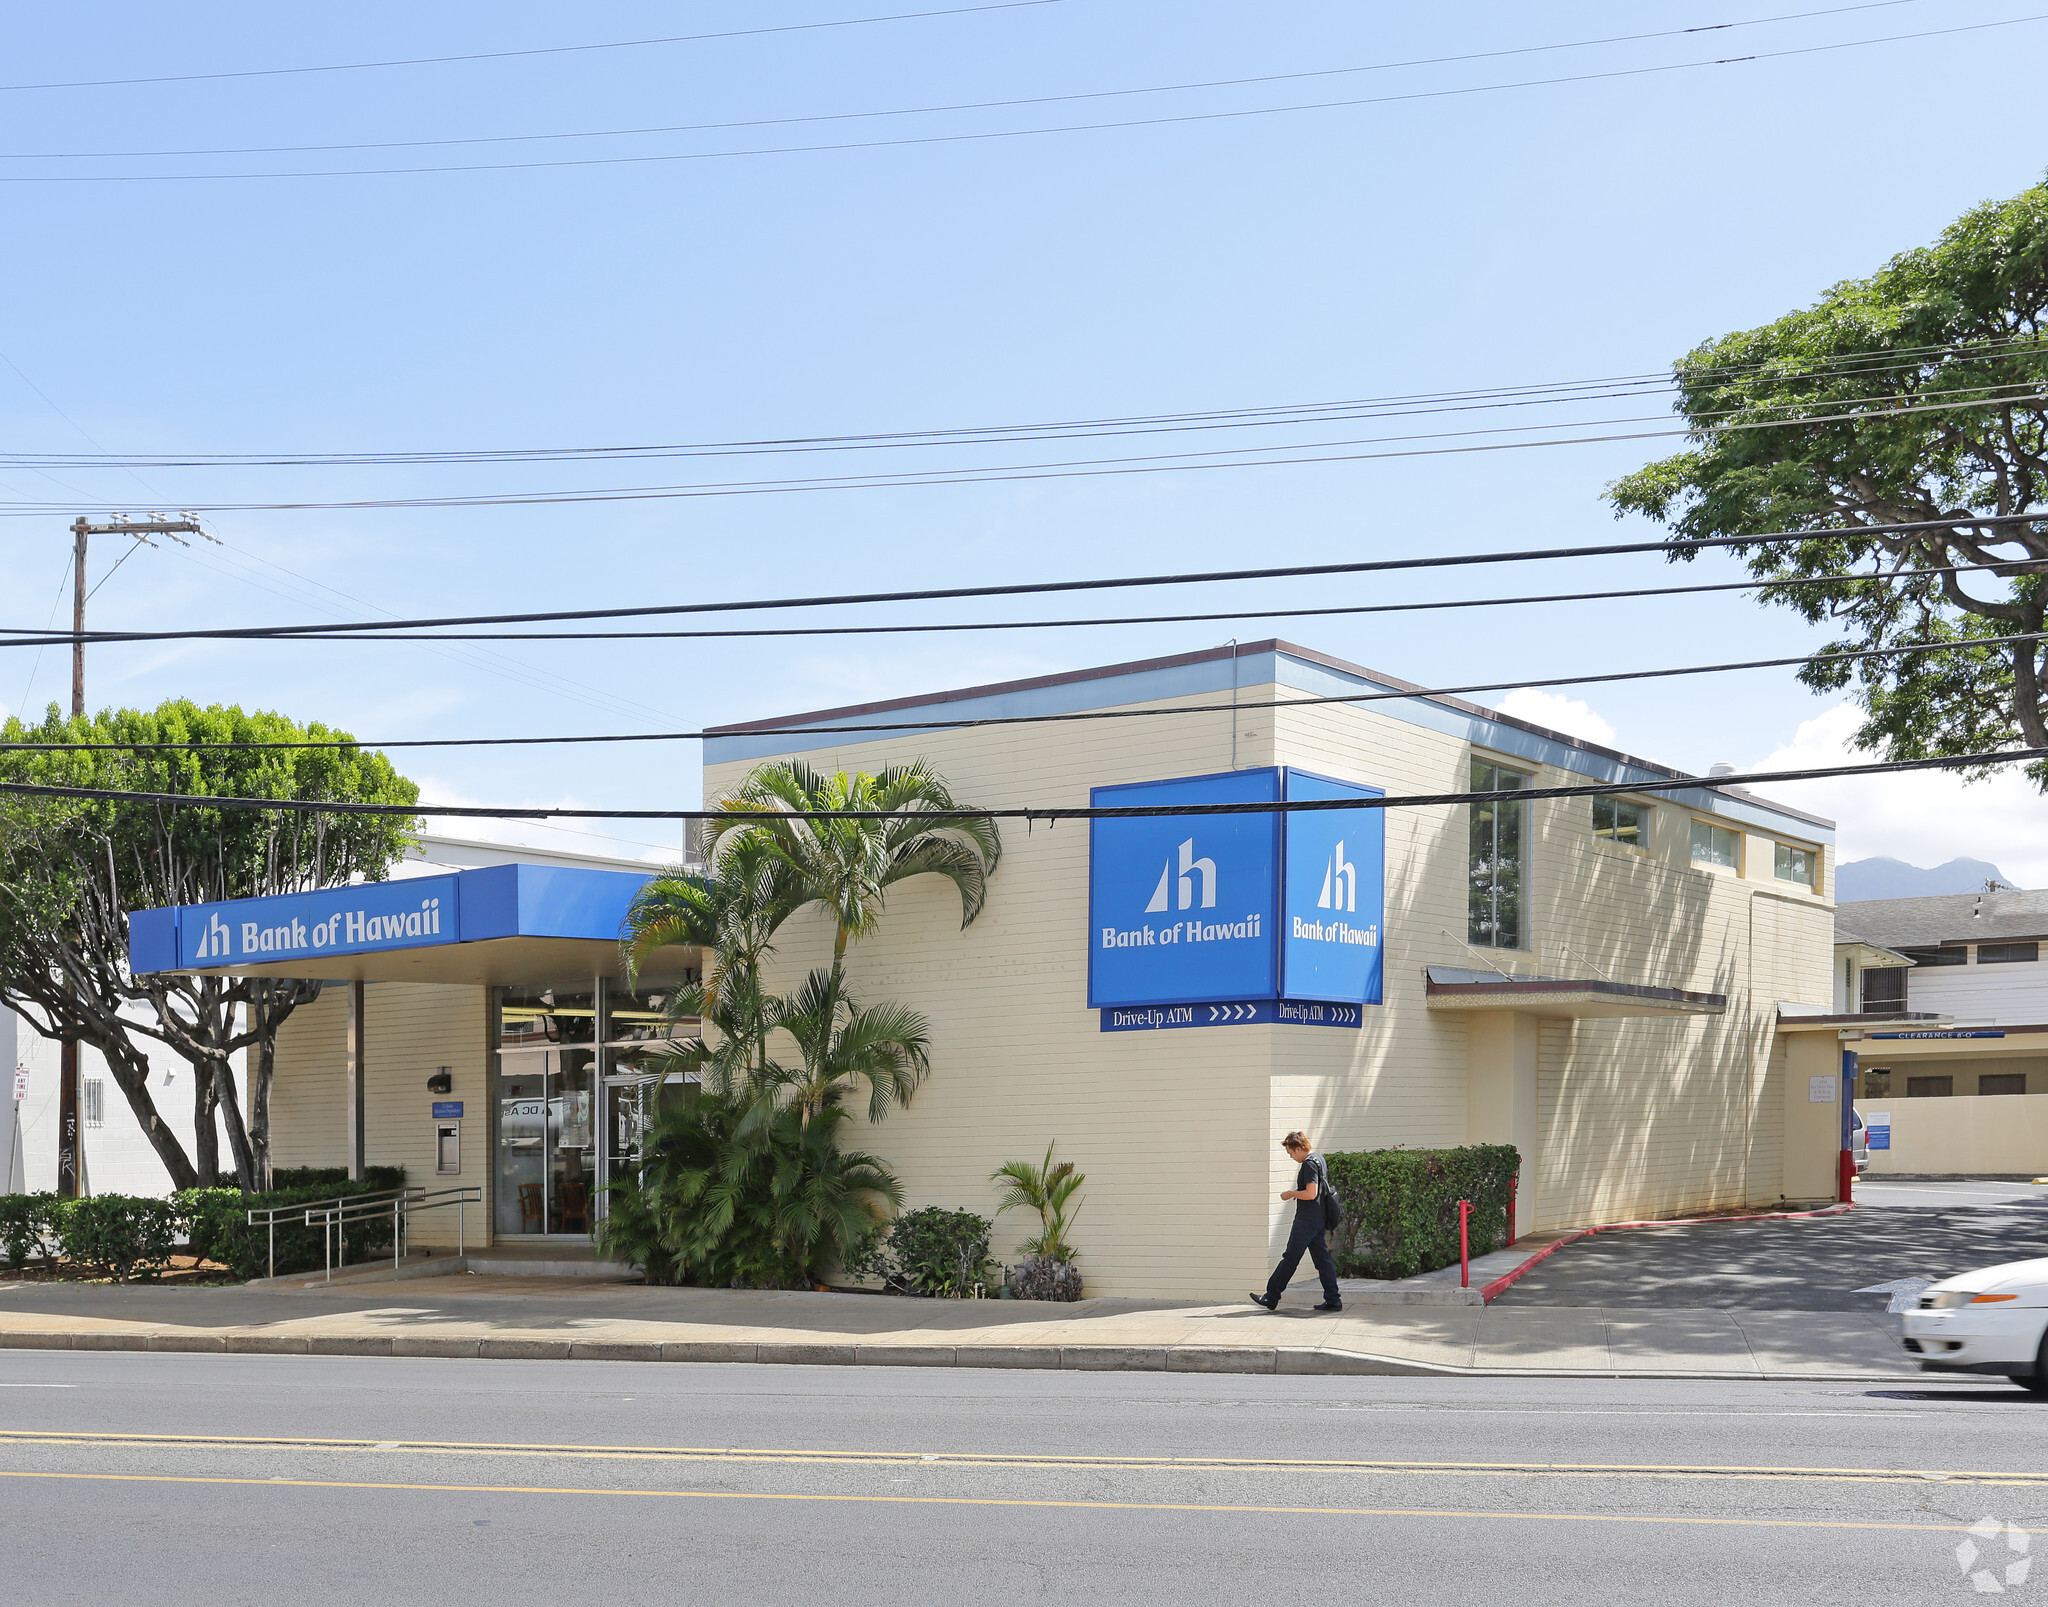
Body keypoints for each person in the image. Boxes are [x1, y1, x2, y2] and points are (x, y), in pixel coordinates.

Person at [1250, 1131, 1341, 1313]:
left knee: (1290, 1258)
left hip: (1306, 1221)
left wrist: (1291, 1193)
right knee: (1323, 1260)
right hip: (1318, 1219)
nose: (1291, 1157)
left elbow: (1311, 1193)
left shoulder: (1308, 1164)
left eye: (1291, 1153)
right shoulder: (1319, 1159)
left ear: (1299, 1148)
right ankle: (1333, 1300)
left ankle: (1271, 1296)